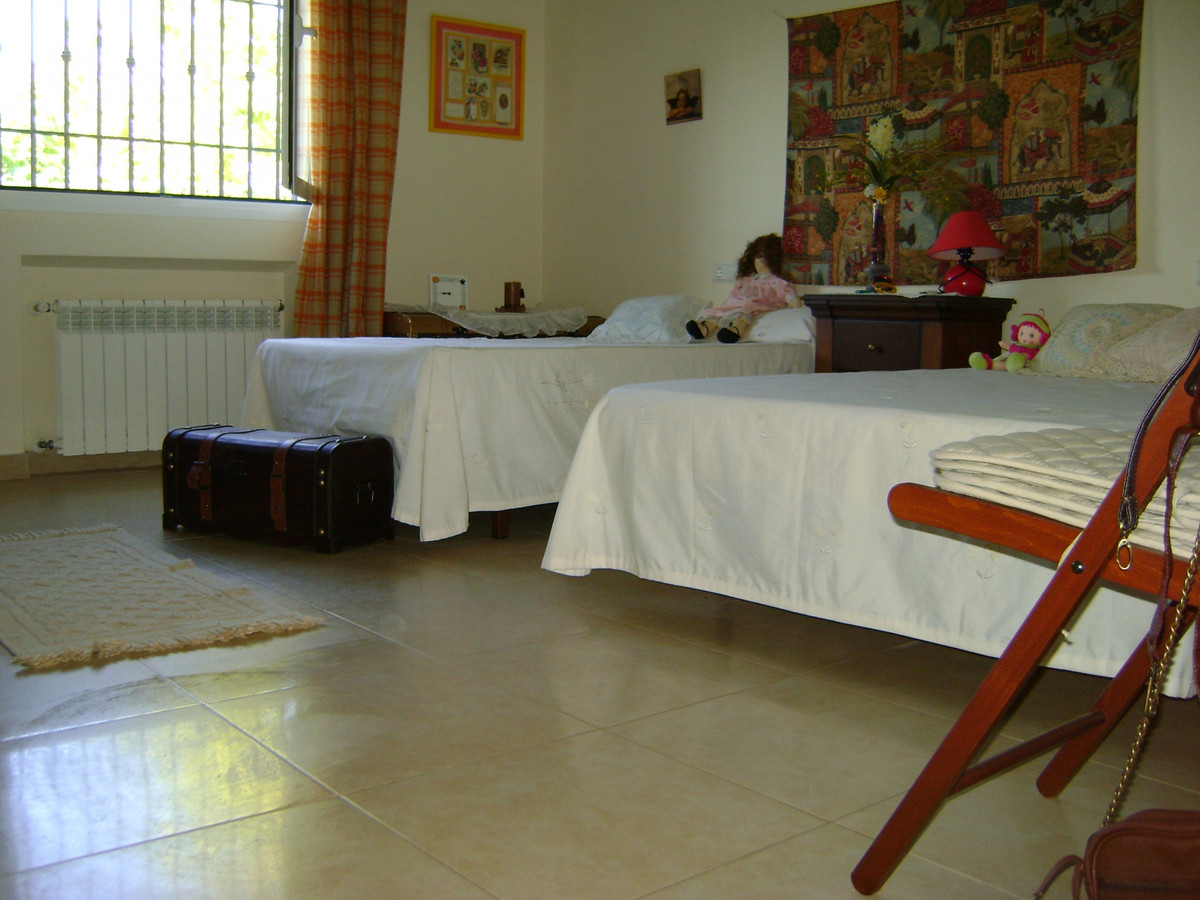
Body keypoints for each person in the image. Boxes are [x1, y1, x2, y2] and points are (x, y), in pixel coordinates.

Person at [686, 234, 802, 343]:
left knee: (742, 314)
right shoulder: (747, 280)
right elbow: (734, 296)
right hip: (736, 304)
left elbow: (788, 294)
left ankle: (736, 330)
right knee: (720, 312)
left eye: (766, 258)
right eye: (759, 257)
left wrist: (794, 302)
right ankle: (705, 328)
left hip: (754, 306)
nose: (762, 262)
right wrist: (727, 305)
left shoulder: (776, 281)